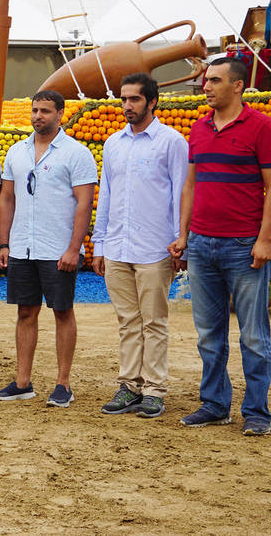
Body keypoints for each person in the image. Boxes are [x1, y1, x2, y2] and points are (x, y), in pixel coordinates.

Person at [168, 57, 271, 436]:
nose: (206, 86)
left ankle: (257, 412)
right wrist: (184, 235)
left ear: (238, 86)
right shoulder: (198, 129)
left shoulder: (261, 127)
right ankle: (215, 405)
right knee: (209, 335)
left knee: (254, 335)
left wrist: (264, 240)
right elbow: (191, 186)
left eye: (214, 80)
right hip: (202, 244)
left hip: (244, 247)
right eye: (205, 80)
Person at [0, 90, 96, 407]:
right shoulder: (16, 152)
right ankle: (23, 382)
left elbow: (84, 203)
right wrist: (5, 242)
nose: (38, 116)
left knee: (62, 312)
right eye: (35, 110)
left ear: (60, 114)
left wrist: (74, 248)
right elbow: (6, 198)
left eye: (46, 111)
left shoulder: (77, 153)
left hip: (58, 248)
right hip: (23, 246)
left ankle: (63, 384)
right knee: (25, 312)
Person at [92, 74, 188, 419]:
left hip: (156, 247)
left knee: (155, 322)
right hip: (118, 245)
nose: (127, 106)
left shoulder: (171, 142)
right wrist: (99, 243)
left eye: (134, 99)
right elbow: (106, 196)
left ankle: (154, 390)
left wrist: (181, 242)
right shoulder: (114, 143)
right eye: (123, 99)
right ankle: (129, 385)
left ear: (152, 102)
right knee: (127, 321)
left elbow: (181, 195)